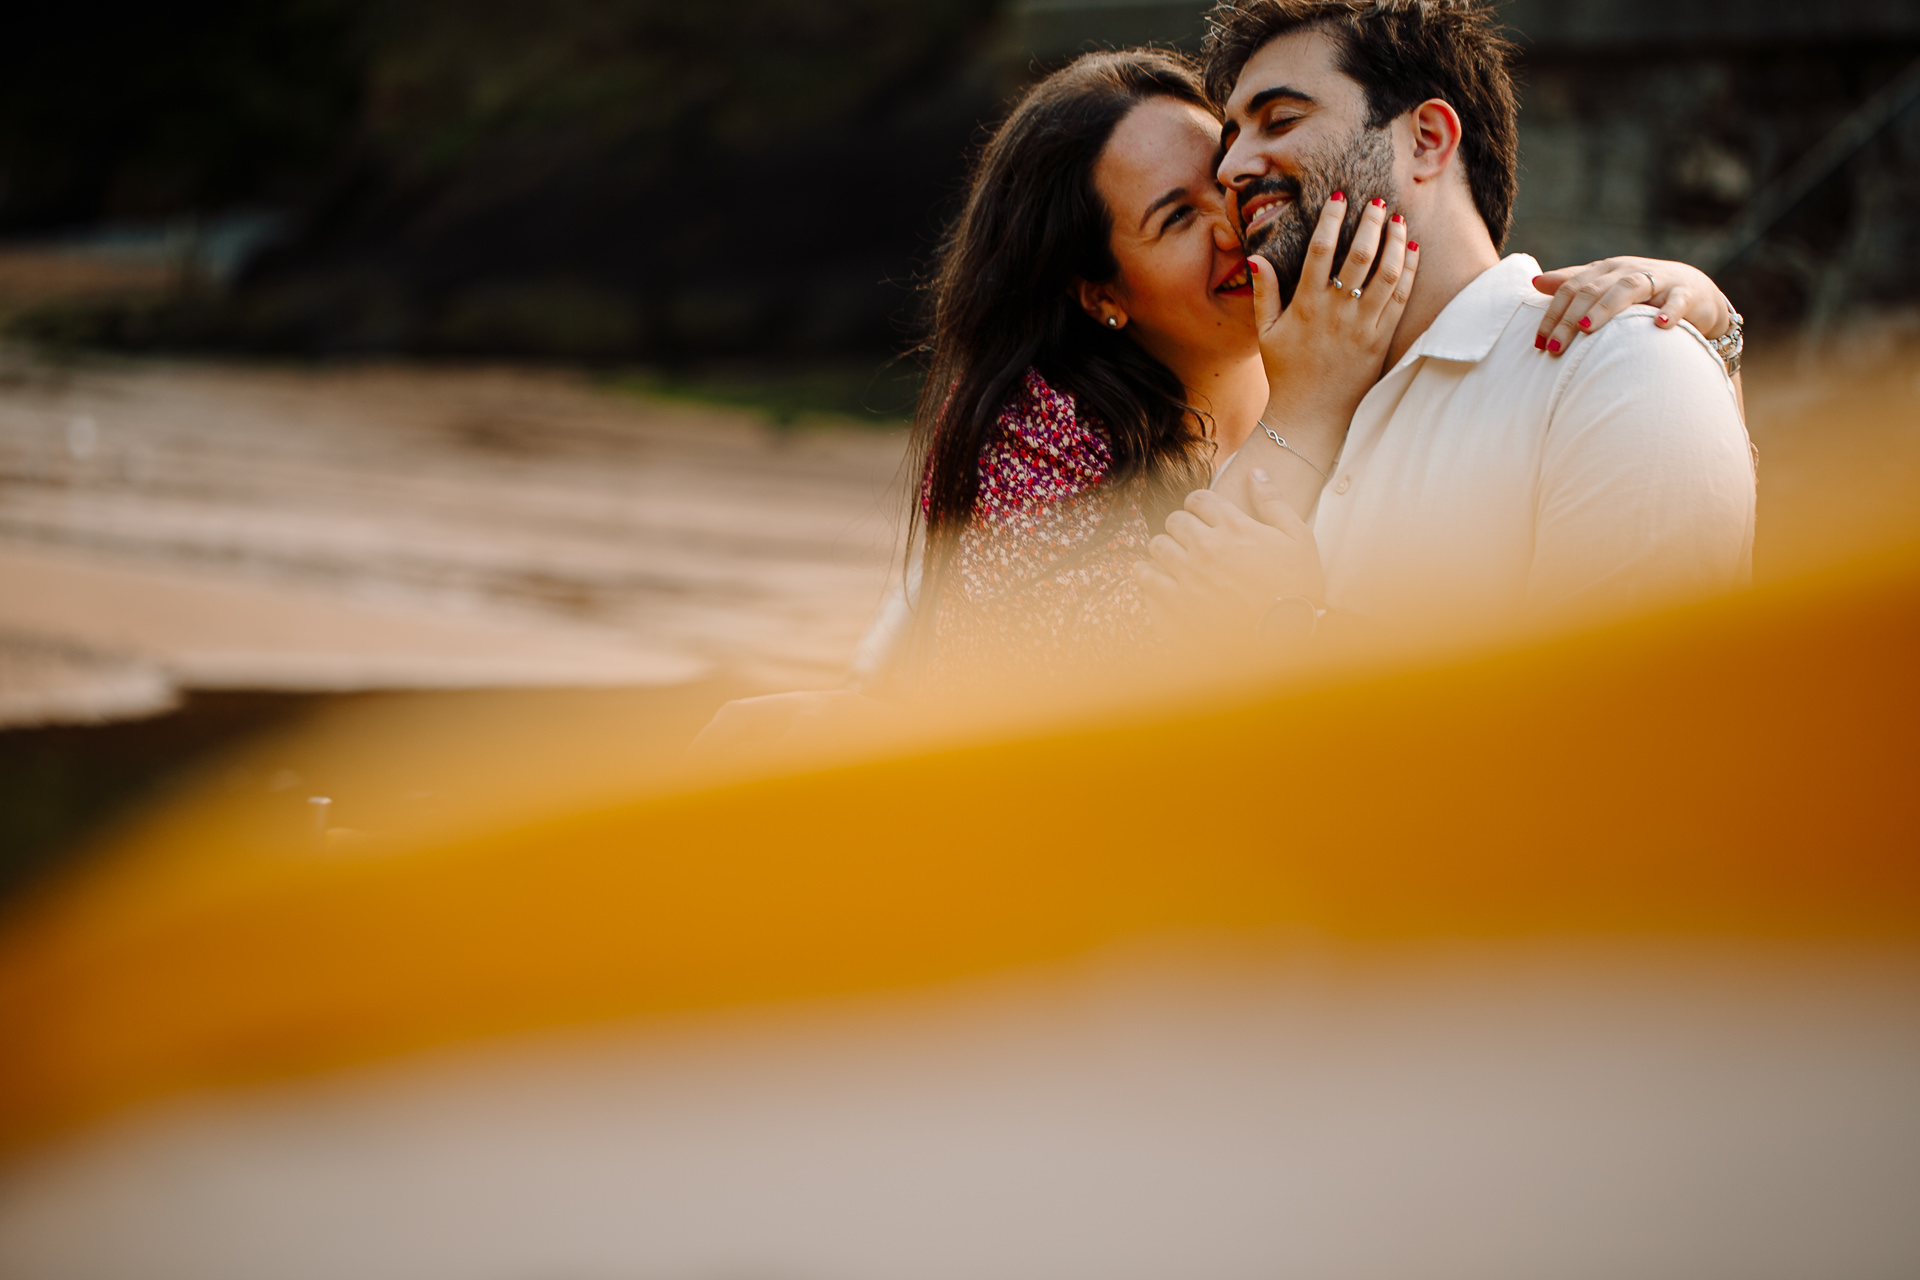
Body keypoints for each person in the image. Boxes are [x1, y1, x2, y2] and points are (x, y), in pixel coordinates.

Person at [693, 44, 1737, 754]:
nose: (1237, 224)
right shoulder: (1044, 425)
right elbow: (1091, 689)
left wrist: (1696, 304)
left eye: (1231, 181)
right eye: (1177, 217)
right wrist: (1309, 409)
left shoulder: (1359, 336)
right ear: (1100, 290)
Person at [1138, 0, 1755, 642]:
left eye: (1281, 119)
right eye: (1231, 140)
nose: (1231, 171)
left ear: (1427, 141)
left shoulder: (1621, 367)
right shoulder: (1302, 423)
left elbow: (1628, 726)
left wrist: (1291, 627)